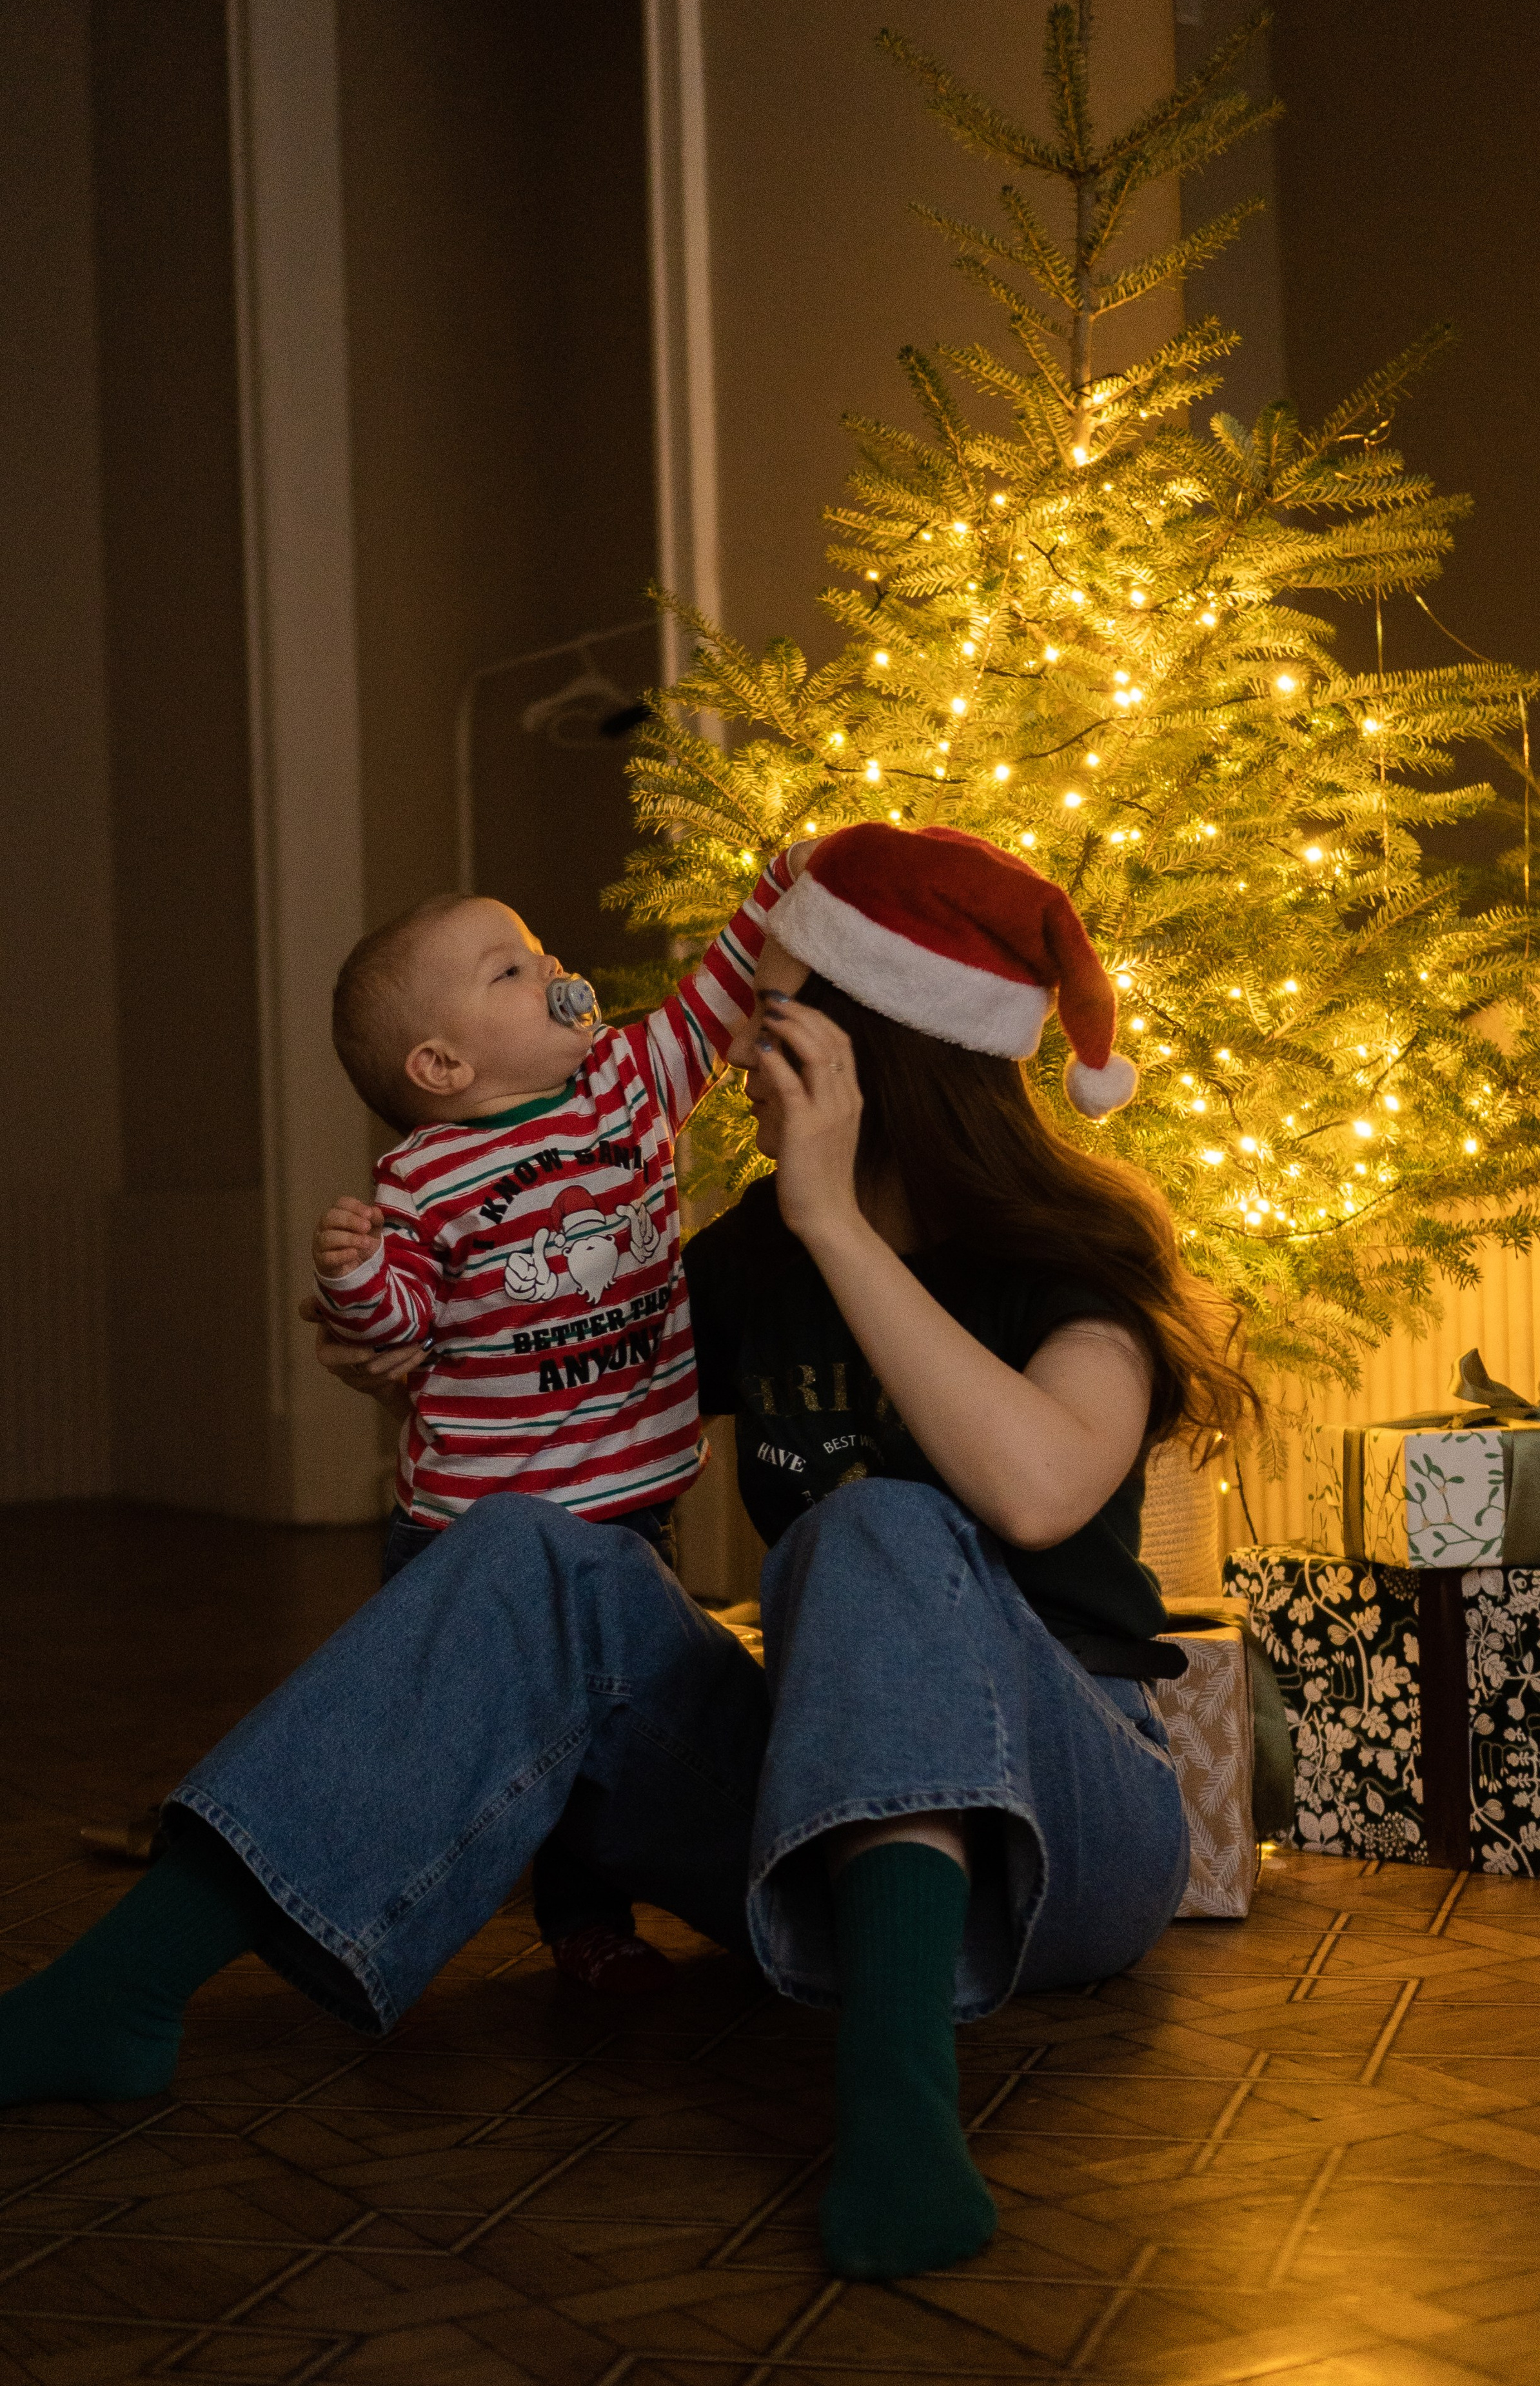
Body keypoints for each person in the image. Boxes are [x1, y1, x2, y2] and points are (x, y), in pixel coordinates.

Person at [0, 823, 1256, 2282]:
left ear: (864, 1062)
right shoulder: (755, 1260)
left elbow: (1037, 1492)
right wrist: (402, 1355)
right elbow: (558, 1359)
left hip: (1072, 1844)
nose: (732, 1056)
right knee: (527, 1548)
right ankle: (118, 1993)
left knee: (879, 1519)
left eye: (774, 1029)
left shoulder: (1064, 1258)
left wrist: (832, 1224)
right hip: (809, 1839)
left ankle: (897, 2109)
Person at [307, 849, 802, 1991]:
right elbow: (398, 1323)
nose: (558, 971)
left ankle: (588, 1917)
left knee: (607, 1737)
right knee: (466, 1742)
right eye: (514, 971)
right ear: (442, 1063)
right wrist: (353, 1276)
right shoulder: (421, 1179)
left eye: (542, 954)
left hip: (628, 1509)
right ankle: (368, 1903)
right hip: (470, 1533)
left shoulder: (629, 1083)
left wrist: (783, 883)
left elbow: (714, 1000)